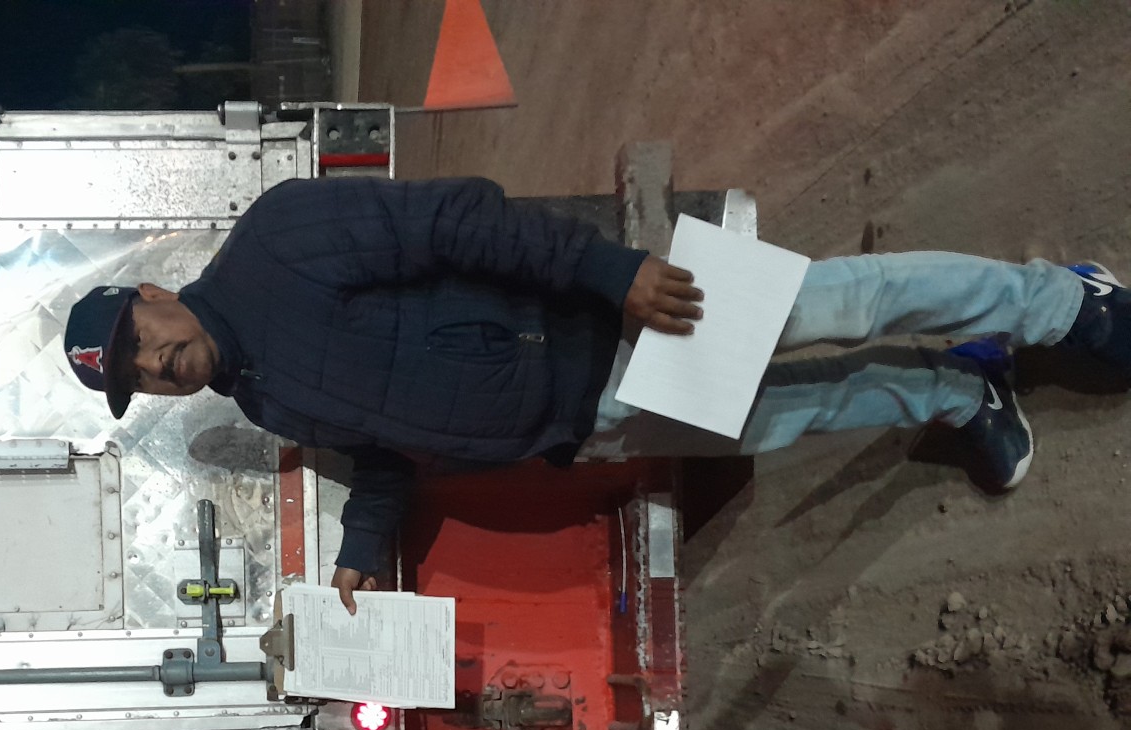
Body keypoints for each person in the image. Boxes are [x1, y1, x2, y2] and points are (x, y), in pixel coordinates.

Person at [63, 176, 1129, 613]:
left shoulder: (276, 240)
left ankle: (1058, 303)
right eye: (139, 378)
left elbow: (458, 220)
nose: (157, 366)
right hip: (584, 422)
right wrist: (364, 544)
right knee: (789, 413)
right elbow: (383, 453)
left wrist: (609, 271)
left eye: (141, 342)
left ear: (154, 296)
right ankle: (956, 392)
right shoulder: (262, 402)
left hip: (604, 323)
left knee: (843, 302)